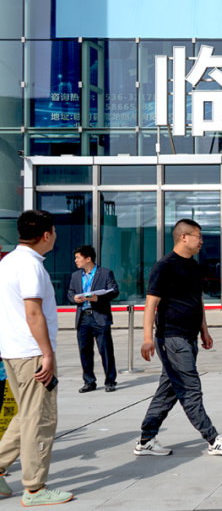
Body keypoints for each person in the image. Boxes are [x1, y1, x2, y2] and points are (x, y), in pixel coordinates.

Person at [135, 219, 222, 458]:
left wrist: (204, 329)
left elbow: (196, 299)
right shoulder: (164, 266)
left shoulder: (192, 265)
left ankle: (146, 440)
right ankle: (213, 439)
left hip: (189, 336)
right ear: (184, 237)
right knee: (190, 387)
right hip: (172, 337)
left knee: (168, 391)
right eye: (198, 236)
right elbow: (150, 304)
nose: (201, 241)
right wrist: (147, 338)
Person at [0, 210, 74, 506]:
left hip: (13, 351)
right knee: (40, 419)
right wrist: (47, 353)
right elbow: (33, 314)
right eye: (53, 231)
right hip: (32, 352)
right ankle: (34, 488)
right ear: (46, 234)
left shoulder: (7, 262)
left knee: (26, 416)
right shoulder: (31, 266)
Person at [67, 245, 120, 393]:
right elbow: (70, 292)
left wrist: (98, 298)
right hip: (83, 317)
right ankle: (89, 382)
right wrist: (74, 298)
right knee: (85, 351)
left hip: (99, 316)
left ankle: (110, 381)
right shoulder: (75, 276)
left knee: (105, 351)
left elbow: (114, 291)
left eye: (78, 257)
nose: (75, 260)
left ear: (88, 258)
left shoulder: (105, 273)